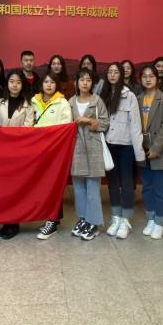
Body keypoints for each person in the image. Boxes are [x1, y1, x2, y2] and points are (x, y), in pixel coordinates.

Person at [101, 62, 144, 239]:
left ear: (121, 75)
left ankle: (126, 220)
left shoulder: (129, 96)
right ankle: (116, 218)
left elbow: (136, 125)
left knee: (127, 183)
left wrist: (139, 152)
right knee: (112, 184)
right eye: (110, 72)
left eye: (116, 72)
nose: (112, 75)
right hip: (109, 144)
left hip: (126, 146)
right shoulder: (103, 95)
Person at [0, 70, 36, 239]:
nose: (15, 85)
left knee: (16, 188)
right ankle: (5, 221)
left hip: (19, 152)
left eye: (18, 82)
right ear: (7, 83)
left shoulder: (28, 105)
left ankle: (14, 223)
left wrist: (11, 136)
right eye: (11, 81)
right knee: (3, 188)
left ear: (22, 84)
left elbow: (28, 128)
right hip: (1, 151)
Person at [68, 69, 110, 241]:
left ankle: (94, 223)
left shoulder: (97, 100)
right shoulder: (70, 102)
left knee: (92, 189)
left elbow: (105, 123)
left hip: (93, 148)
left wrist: (89, 120)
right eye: (82, 79)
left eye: (88, 80)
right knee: (78, 188)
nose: (85, 83)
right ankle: (83, 219)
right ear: (76, 82)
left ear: (92, 83)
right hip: (76, 148)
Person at [33, 72, 74, 239]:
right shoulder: (33, 101)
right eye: (46, 82)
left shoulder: (62, 103)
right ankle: (47, 216)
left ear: (57, 85)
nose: (49, 85)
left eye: (52, 82)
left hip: (55, 152)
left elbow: (65, 129)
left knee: (53, 186)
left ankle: (53, 220)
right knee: (41, 186)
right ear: (41, 84)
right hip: (36, 151)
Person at [137, 64, 163, 239]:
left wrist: (156, 148)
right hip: (142, 150)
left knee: (160, 189)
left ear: (157, 79)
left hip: (160, 150)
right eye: (144, 76)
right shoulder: (138, 99)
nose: (148, 79)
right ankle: (150, 218)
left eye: (151, 76)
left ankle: (160, 221)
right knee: (147, 187)